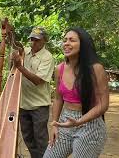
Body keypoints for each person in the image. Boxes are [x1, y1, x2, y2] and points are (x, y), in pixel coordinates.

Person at [43, 27, 109, 158]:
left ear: (83, 45)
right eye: (65, 40)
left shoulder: (96, 69)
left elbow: (103, 104)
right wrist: (54, 124)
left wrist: (79, 121)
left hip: (90, 125)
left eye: (72, 40)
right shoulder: (59, 69)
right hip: (65, 121)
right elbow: (58, 99)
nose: (66, 43)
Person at [12, 26, 55, 158]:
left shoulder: (48, 57)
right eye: (31, 39)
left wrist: (19, 66)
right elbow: (14, 45)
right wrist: (10, 34)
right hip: (24, 103)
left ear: (44, 41)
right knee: (28, 138)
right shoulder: (25, 52)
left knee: (41, 139)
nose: (33, 42)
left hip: (39, 105)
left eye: (37, 40)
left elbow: (37, 80)